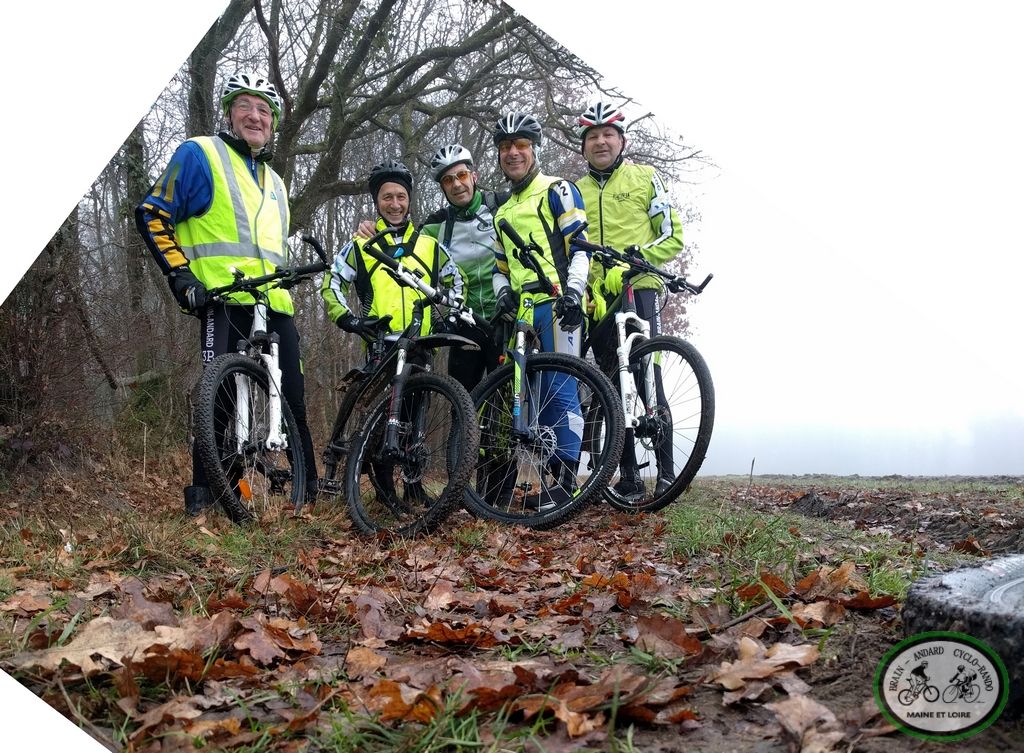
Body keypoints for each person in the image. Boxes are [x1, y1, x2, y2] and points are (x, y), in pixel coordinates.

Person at [135, 70, 318, 516]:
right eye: (245, 106)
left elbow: (269, 246)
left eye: (264, 110)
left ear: (272, 121)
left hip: (273, 302)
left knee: (292, 396)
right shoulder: (200, 154)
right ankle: (207, 499)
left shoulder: (275, 182)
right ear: (229, 113)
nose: (255, 116)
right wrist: (181, 277)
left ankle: (307, 491)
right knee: (218, 401)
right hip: (223, 298)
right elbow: (153, 214)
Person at [575, 100, 685, 501]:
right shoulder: (574, 191)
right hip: (599, 297)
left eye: (607, 135)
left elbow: (673, 235)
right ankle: (629, 476)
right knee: (607, 382)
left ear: (621, 141)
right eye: (592, 136)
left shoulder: (646, 177)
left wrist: (642, 255)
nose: (600, 142)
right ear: (583, 145)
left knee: (646, 378)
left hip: (639, 287)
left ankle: (668, 474)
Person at [490, 112, 591, 505]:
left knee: (560, 388)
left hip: (556, 301)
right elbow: (501, 267)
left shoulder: (559, 189)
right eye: (505, 147)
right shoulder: (501, 211)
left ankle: (567, 484)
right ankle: (544, 480)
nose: (513, 153)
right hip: (523, 309)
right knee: (531, 395)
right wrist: (502, 295)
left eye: (520, 146)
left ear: (533, 149)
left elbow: (580, 248)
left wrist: (574, 292)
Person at [321, 159, 464, 346]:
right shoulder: (360, 246)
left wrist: (451, 319)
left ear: (409, 201)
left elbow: (459, 283)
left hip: (422, 347)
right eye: (387, 197)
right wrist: (348, 319)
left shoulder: (431, 246)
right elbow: (332, 283)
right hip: (378, 348)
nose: (395, 205)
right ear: (376, 202)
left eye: (401, 197)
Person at [419, 144, 508, 390]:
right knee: (460, 400)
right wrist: (373, 229)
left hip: (505, 319)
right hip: (465, 323)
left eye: (461, 176)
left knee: (506, 403)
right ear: (443, 187)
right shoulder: (435, 226)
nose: (457, 184)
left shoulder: (502, 206)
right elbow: (403, 245)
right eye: (448, 180)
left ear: (474, 176)